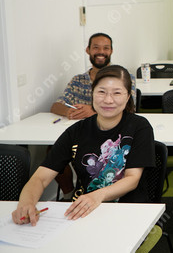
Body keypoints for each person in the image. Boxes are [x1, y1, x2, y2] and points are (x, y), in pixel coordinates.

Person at [13, 65, 155, 226]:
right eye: (101, 92)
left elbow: (132, 179)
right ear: (92, 93)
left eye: (117, 93)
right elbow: (40, 177)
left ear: (128, 96)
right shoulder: (76, 131)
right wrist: (26, 204)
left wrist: (97, 196)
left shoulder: (139, 127)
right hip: (83, 211)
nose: (108, 100)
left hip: (128, 210)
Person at [51, 33, 136, 120]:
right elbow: (56, 106)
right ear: (88, 50)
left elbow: (130, 109)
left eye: (106, 48)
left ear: (111, 51)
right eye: (96, 47)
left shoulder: (125, 78)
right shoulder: (78, 80)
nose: (101, 52)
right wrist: (68, 111)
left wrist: (93, 111)